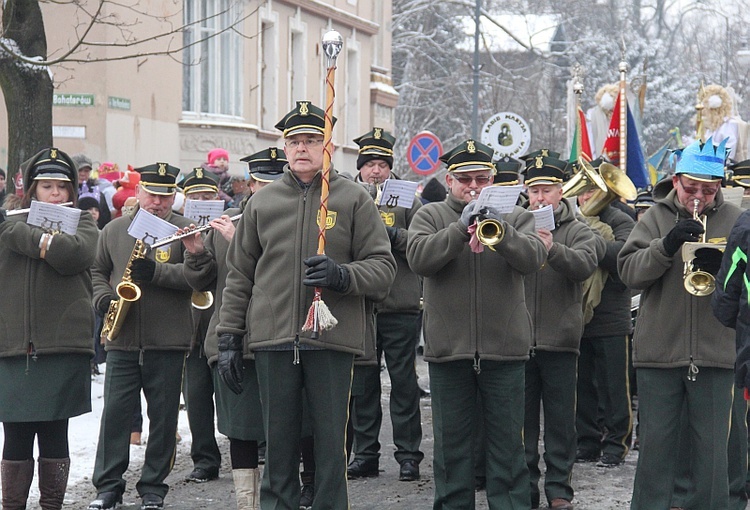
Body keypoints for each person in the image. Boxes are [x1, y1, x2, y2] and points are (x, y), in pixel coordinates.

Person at [215, 101, 396, 509]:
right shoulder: (261, 203)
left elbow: (383, 268)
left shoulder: (351, 199)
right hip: (273, 338)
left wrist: (343, 276)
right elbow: (239, 275)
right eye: (295, 141)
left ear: (326, 145)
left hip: (330, 338)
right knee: (277, 447)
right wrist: (229, 336)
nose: (302, 148)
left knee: (331, 447)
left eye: (312, 140)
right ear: (284, 147)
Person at [407, 139, 546, 509]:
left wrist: (501, 229)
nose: (473, 187)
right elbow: (419, 259)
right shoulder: (430, 215)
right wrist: (458, 228)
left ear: (493, 181)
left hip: (505, 350)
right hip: (449, 351)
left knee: (507, 450)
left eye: (482, 179)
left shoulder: (517, 216)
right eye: (465, 179)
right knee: (451, 451)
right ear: (449, 180)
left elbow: (533, 259)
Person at [619, 137, 742, 509]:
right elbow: (628, 273)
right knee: (655, 454)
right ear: (676, 181)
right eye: (692, 188)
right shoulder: (654, 217)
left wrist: (729, 271)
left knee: (712, 458)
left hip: (717, 354)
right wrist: (666, 246)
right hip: (660, 353)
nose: (699, 197)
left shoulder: (736, 220)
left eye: (709, 189)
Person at [89, 162, 204, 510]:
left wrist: (158, 273)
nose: (158, 203)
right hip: (122, 338)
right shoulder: (115, 230)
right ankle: (108, 487)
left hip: (167, 339)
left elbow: (201, 278)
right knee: (115, 416)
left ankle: (153, 486)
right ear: (138, 193)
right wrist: (104, 299)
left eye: (166, 196)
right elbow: (97, 271)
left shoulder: (186, 230)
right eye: (152, 195)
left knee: (164, 416)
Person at [183, 147, 284, 509]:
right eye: (259, 183)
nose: (265, 190)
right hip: (234, 334)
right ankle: (247, 502)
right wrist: (196, 252)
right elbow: (204, 280)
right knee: (240, 425)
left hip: (279, 333)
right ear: (250, 186)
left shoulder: (292, 221)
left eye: (273, 183)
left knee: (285, 426)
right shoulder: (230, 218)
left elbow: (280, 274)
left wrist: (236, 243)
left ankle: (287, 494)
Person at [0, 147, 99, 510]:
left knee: (55, 433)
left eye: (63, 186)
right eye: (47, 187)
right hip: (13, 346)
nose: (56, 194)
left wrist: (31, 238)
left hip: (63, 346)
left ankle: (52, 505)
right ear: (32, 191)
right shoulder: (8, 221)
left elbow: (75, 254)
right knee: (16, 436)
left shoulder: (84, 222)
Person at [521, 152, 601, 510]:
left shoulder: (578, 228)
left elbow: (585, 265)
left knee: (560, 425)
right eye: (535, 189)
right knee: (520, 425)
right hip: (518, 341)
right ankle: (526, 488)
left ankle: (559, 490)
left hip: (561, 341)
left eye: (548, 190)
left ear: (560, 192)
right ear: (526, 191)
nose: (540, 197)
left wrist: (553, 248)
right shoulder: (515, 223)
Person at [346, 127, 424, 482]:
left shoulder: (409, 200)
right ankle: (365, 454)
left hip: (401, 305)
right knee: (362, 384)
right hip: (362, 306)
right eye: (369, 165)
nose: (375, 171)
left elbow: (424, 244)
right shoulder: (348, 197)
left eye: (382, 165)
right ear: (360, 168)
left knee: (404, 384)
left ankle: (408, 454)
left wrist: (394, 235)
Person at [575, 158, 636, 469]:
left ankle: (617, 444)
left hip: (611, 316)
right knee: (581, 386)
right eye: (584, 190)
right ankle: (586, 443)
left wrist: (590, 240)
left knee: (615, 388)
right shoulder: (569, 218)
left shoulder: (621, 218)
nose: (587, 196)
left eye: (593, 190)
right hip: (576, 316)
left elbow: (624, 258)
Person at [176, 168, 224, 484]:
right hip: (189, 325)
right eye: (195, 197)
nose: (201, 202)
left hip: (221, 321)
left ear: (217, 198)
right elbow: (172, 273)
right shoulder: (173, 228)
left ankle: (256, 446)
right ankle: (205, 459)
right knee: (196, 397)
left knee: (236, 392)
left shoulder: (228, 227)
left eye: (207, 197)